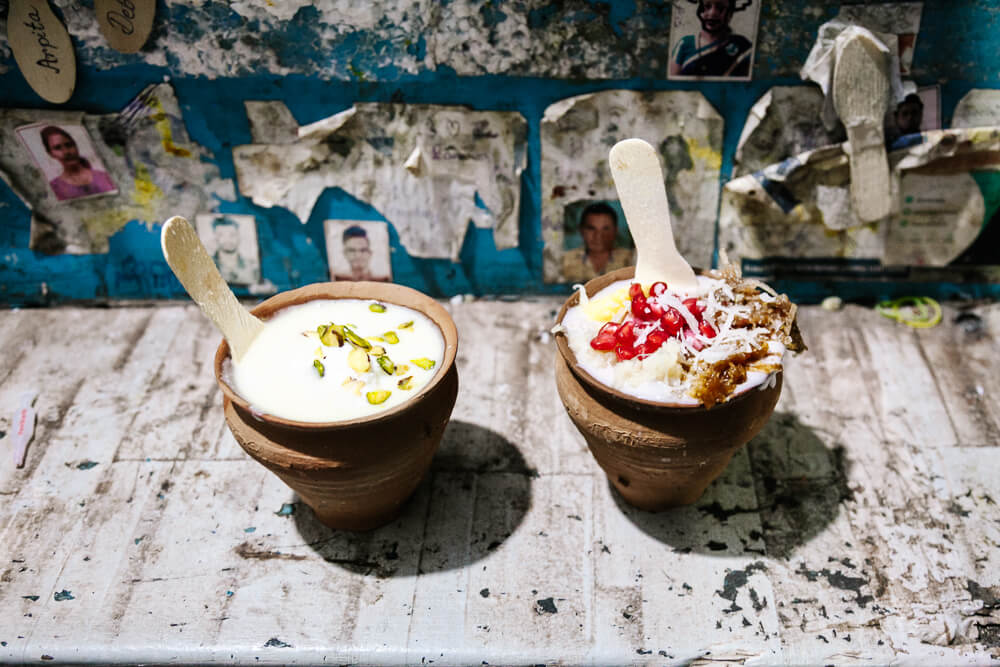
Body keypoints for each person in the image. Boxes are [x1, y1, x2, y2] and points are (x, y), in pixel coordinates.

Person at [669, 0, 753, 78]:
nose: (712, 13)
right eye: (707, 6)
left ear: (730, 14)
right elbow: (671, 84)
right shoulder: (684, 44)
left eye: (720, 8)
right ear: (700, 11)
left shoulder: (742, 46)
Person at [561, 202, 634, 283]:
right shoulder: (565, 261)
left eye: (605, 228)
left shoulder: (631, 260)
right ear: (581, 230)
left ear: (615, 231)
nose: (598, 236)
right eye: (591, 228)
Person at [39, 126, 116, 201]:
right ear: (50, 153)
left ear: (76, 146)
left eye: (69, 145)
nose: (66, 152)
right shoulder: (53, 188)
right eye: (57, 148)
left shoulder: (104, 176)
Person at [211, 217, 254, 284]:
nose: (227, 240)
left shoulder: (252, 266)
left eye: (232, 234)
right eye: (221, 235)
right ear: (215, 237)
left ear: (239, 236)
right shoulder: (205, 265)